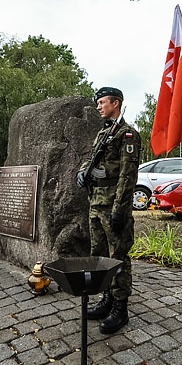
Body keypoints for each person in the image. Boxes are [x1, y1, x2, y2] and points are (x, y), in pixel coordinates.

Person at [77, 87, 141, 334]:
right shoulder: (103, 133)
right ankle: (107, 299)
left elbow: (127, 176)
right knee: (100, 254)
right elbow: (90, 158)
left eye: (102, 102)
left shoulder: (127, 135)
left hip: (113, 204)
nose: (98, 107)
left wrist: (119, 210)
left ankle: (120, 308)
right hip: (96, 203)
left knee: (118, 258)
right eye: (98, 103)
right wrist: (82, 173)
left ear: (116, 103)